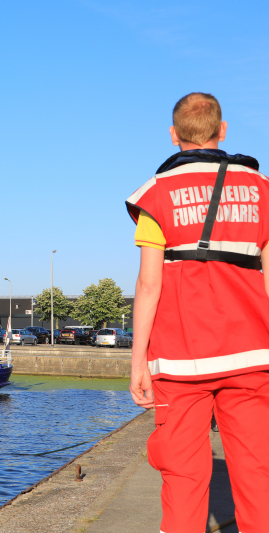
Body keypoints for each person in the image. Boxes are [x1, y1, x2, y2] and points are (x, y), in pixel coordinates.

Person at [127, 92, 269, 532]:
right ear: (222, 131)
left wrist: (138, 362)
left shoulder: (156, 195)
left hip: (180, 359)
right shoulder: (261, 191)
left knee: (184, 477)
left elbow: (150, 285)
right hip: (252, 356)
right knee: (257, 475)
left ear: (174, 136)